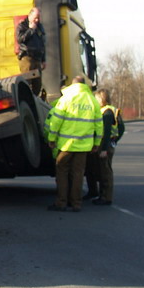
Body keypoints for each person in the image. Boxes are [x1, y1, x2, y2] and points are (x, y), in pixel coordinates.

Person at [44, 75, 103, 212]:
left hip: (66, 145)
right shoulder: (92, 100)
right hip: (84, 146)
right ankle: (76, 203)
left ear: (72, 85)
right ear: (84, 85)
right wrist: (97, 142)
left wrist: (52, 139)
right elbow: (98, 124)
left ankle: (61, 203)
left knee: (62, 173)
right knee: (78, 174)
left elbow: (56, 121)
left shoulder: (66, 99)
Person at [84, 88, 124, 205]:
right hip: (106, 144)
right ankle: (99, 194)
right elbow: (121, 128)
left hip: (104, 145)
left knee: (105, 172)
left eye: (96, 98)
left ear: (102, 99)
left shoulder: (107, 113)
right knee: (98, 170)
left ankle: (106, 197)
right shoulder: (109, 110)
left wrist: (105, 148)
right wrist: (115, 141)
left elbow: (106, 132)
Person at [15, 7, 46, 95]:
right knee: (27, 82)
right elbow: (20, 39)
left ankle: (35, 101)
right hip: (27, 57)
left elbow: (42, 43)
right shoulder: (22, 25)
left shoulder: (40, 27)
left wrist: (44, 60)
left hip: (38, 59)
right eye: (35, 17)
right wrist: (31, 30)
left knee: (37, 85)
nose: (37, 20)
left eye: (38, 18)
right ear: (30, 15)